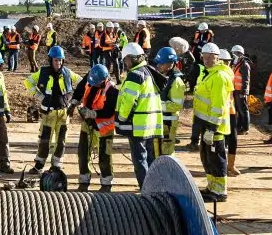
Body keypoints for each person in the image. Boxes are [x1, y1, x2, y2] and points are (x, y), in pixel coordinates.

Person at [25, 46, 82, 173]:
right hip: (48, 113)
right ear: (51, 60)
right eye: (56, 60)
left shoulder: (67, 72)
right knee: (44, 140)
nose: (58, 63)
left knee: (61, 141)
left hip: (63, 113)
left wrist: (72, 97)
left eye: (61, 60)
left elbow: (81, 82)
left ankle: (56, 164)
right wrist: (39, 96)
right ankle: (39, 164)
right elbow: (28, 82)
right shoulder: (43, 72)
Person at [114, 42, 164, 189]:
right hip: (150, 124)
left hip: (138, 125)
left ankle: (145, 188)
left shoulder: (135, 75)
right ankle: (153, 187)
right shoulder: (149, 71)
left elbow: (129, 100)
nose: (125, 63)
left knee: (139, 159)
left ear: (131, 58)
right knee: (149, 157)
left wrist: (121, 119)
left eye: (126, 60)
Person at [193, 42, 234, 202]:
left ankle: (220, 191)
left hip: (214, 126)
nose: (207, 60)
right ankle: (212, 186)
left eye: (211, 57)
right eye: (205, 57)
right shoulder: (207, 73)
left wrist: (212, 128)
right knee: (207, 157)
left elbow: (219, 106)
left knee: (216, 157)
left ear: (218, 58)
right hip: (206, 123)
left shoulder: (219, 77)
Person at [70, 64, 119, 191]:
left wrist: (93, 114)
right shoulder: (91, 77)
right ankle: (84, 180)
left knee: (104, 156)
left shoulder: (111, 90)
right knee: (83, 153)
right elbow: (80, 88)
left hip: (104, 129)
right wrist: (74, 104)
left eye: (97, 83)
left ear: (104, 80)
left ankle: (106, 183)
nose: (94, 85)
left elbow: (109, 111)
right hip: (88, 125)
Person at [153, 47, 186, 157]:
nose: (158, 66)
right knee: (157, 152)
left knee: (166, 153)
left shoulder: (176, 81)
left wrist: (155, 105)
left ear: (170, 63)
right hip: (160, 122)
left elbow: (176, 105)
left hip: (168, 123)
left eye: (161, 63)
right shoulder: (163, 77)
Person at [230, 45, 252, 140]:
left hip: (240, 90)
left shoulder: (244, 64)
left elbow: (246, 79)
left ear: (239, 54)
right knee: (239, 110)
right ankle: (239, 127)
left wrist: (243, 91)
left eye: (235, 53)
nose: (233, 55)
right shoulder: (237, 63)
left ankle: (245, 128)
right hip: (236, 89)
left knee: (243, 110)